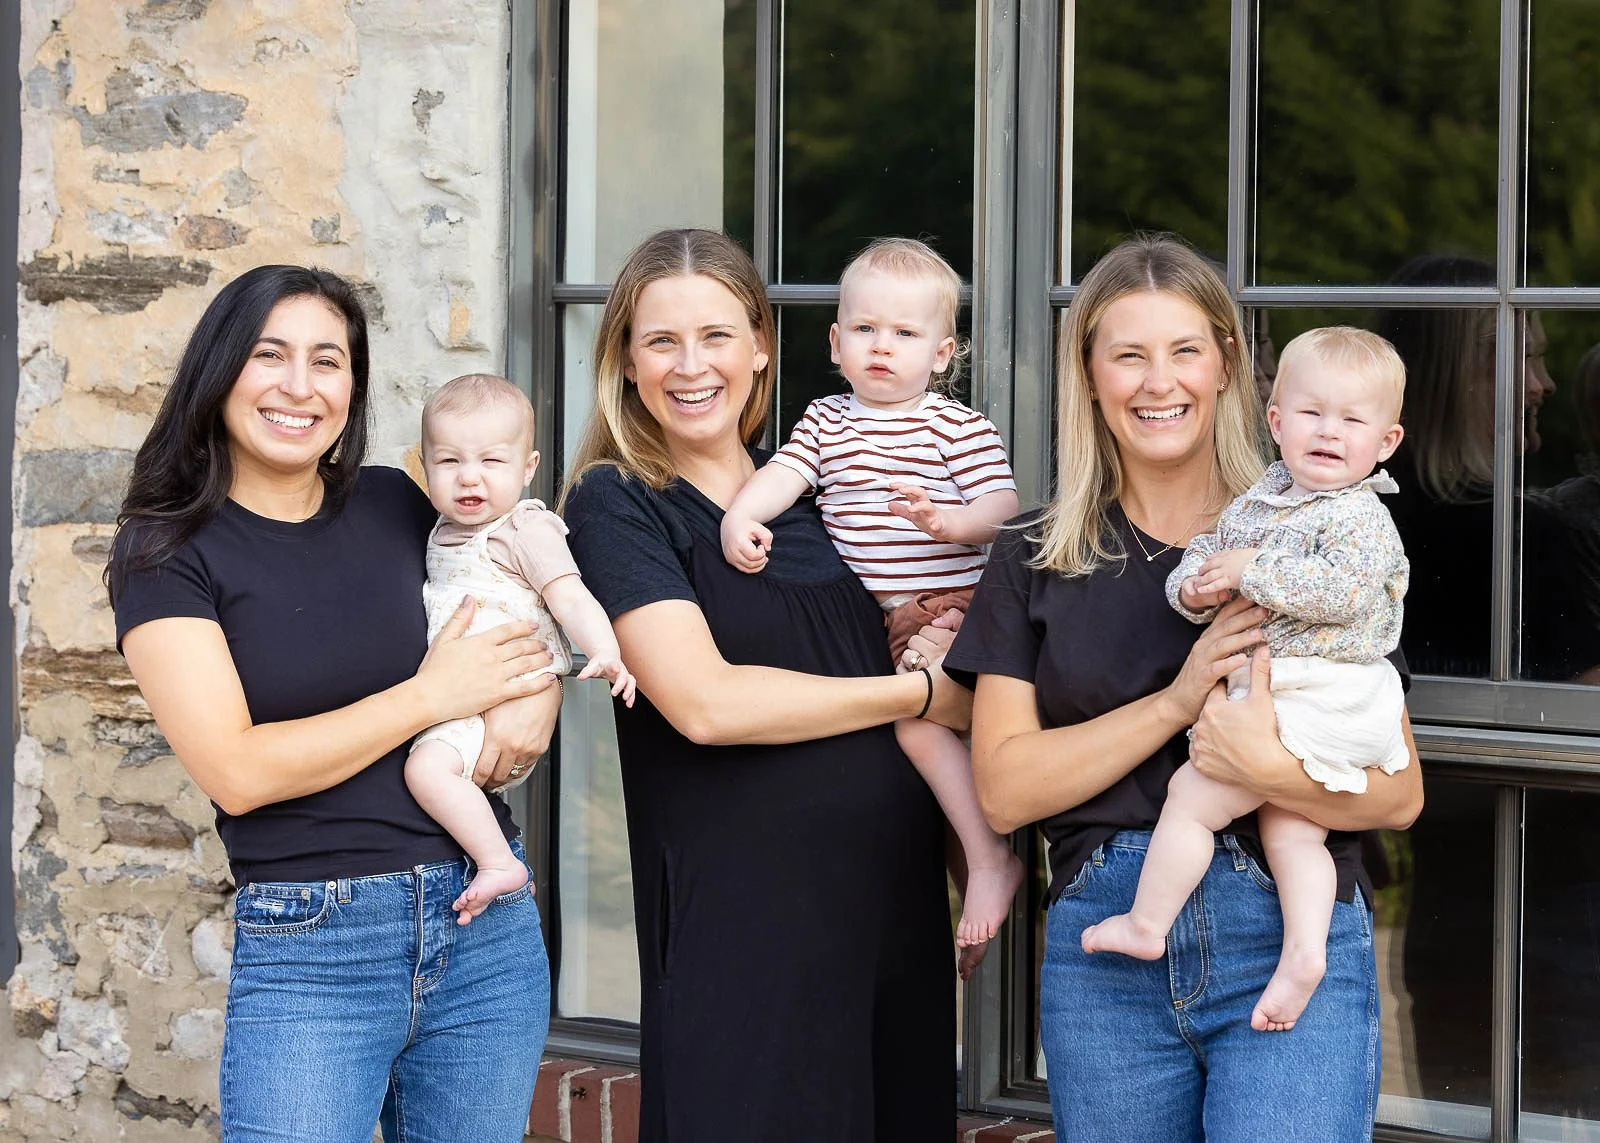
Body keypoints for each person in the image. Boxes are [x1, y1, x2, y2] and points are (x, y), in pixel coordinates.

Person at [946, 233, 1423, 1142]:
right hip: (1108, 945)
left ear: (1228, 366)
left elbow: (1398, 795)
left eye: (1185, 351)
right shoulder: (1033, 554)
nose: (1157, 382)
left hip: (1285, 928)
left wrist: (1263, 770)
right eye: (1128, 354)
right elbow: (1004, 789)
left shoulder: (1318, 536)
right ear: (1089, 375)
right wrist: (1176, 699)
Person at [106, 266, 558, 1142]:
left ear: (353, 384)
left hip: (483, 925)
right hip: (316, 943)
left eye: (327, 360)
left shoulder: (397, 501)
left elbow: (512, 611)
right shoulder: (164, 551)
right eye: (269, 355)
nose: (300, 386)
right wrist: (427, 696)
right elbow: (237, 771)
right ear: (219, 370)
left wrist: (540, 697)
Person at [560, 228, 969, 1142]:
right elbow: (705, 705)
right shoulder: (618, 502)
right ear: (625, 360)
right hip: (743, 939)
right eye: (661, 341)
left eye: (716, 335)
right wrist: (918, 695)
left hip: (889, 925)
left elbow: (907, 638)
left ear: (759, 348)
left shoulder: (821, 498)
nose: (691, 365)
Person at [1080, 326, 1411, 1035]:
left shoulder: (1361, 516)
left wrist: (1250, 571)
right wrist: (1192, 586)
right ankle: (1304, 954)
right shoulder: (1267, 497)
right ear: (1277, 422)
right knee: (1294, 831)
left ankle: (1147, 922)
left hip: (1320, 692)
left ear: (1386, 442)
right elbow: (1214, 550)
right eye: (1312, 413)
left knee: (1191, 798)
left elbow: (1344, 592)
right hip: (1297, 693)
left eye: (1352, 420)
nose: (1329, 431)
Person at [720, 237, 1024, 953]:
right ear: (836, 342)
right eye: (864, 328)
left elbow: (1004, 507)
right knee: (920, 741)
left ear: (942, 354)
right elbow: (785, 474)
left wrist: (947, 522)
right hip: (888, 623)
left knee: (922, 728)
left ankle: (991, 861)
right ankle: (971, 873)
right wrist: (740, 514)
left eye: (905, 334)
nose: (882, 345)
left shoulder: (955, 426)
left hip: (955, 603)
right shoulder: (826, 421)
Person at [409, 373, 635, 922]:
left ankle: (498, 864)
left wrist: (604, 649)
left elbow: (570, 595)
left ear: (528, 467)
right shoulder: (439, 532)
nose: (470, 477)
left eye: (492, 461)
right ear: (424, 465)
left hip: (501, 698)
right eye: (448, 461)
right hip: (462, 697)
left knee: (426, 773)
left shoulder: (523, 529)